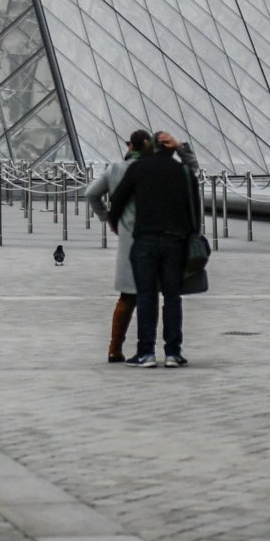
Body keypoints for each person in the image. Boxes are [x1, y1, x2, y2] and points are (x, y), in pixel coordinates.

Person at [105, 128, 197, 368]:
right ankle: (173, 353)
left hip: (145, 240)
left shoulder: (138, 169)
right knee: (172, 298)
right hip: (175, 240)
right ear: (171, 149)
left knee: (146, 297)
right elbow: (194, 204)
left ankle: (146, 353)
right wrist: (179, 146)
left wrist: (116, 225)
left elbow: (117, 202)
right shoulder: (182, 172)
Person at [82, 134, 147, 363]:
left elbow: (91, 193)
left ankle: (114, 348)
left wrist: (108, 219)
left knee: (127, 297)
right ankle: (146, 349)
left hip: (127, 238)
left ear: (130, 146)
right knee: (148, 297)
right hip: (151, 236)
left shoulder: (116, 169)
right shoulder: (151, 168)